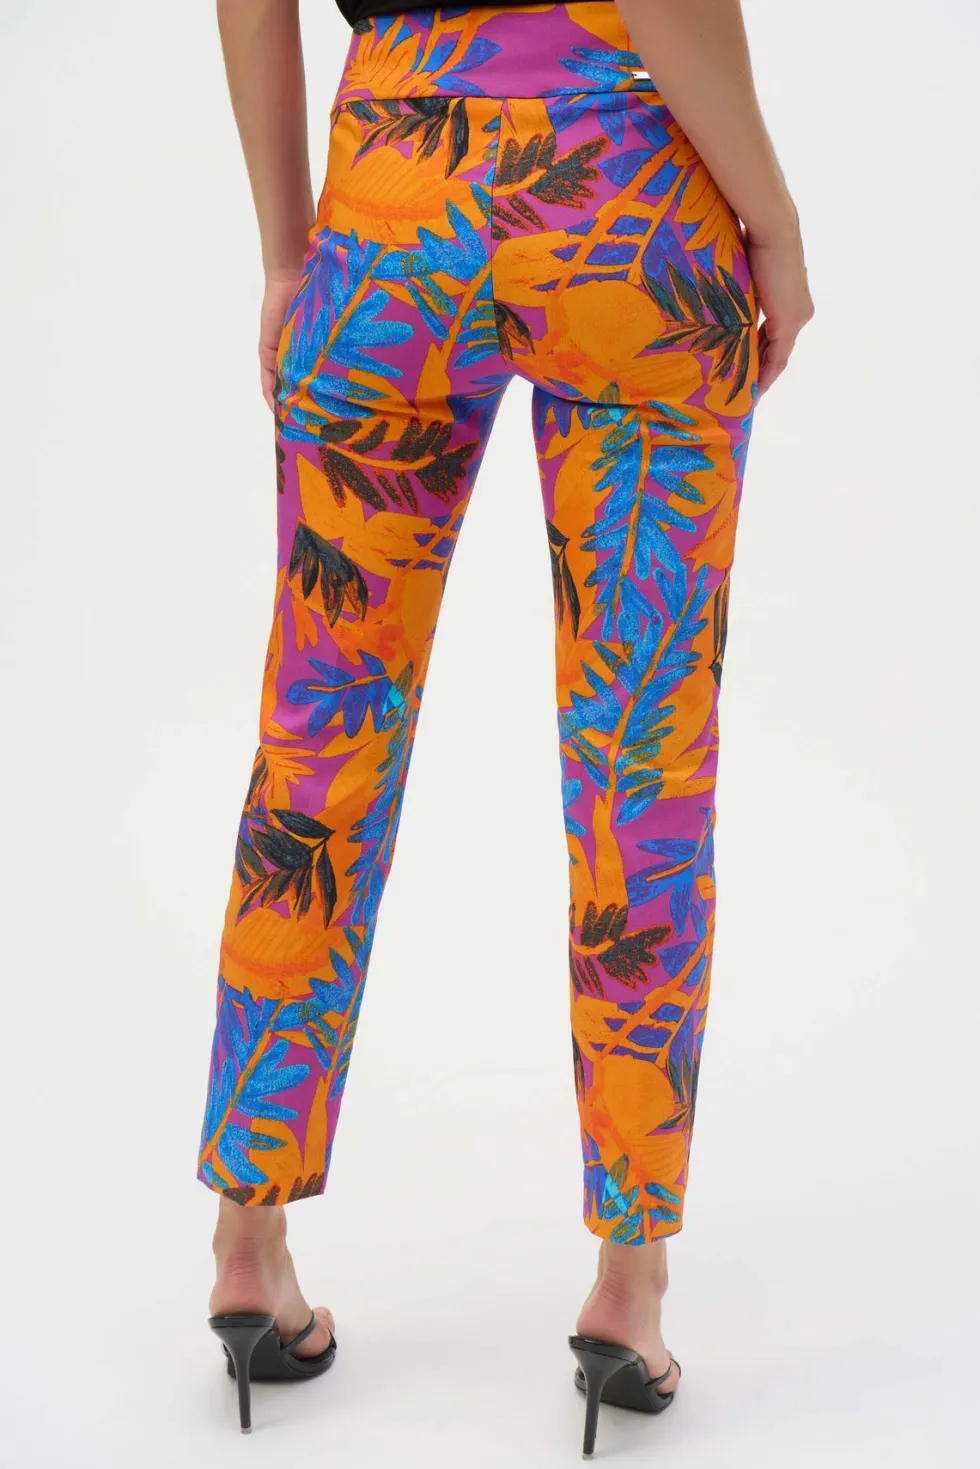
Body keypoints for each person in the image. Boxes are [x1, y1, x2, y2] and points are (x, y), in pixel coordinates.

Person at [199, 0, 813, 1450]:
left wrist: (289, 252)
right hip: (625, 195)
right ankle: (628, 1284)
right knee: (640, 757)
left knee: (321, 739)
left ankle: (248, 1240)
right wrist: (774, 223)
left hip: (390, 199)